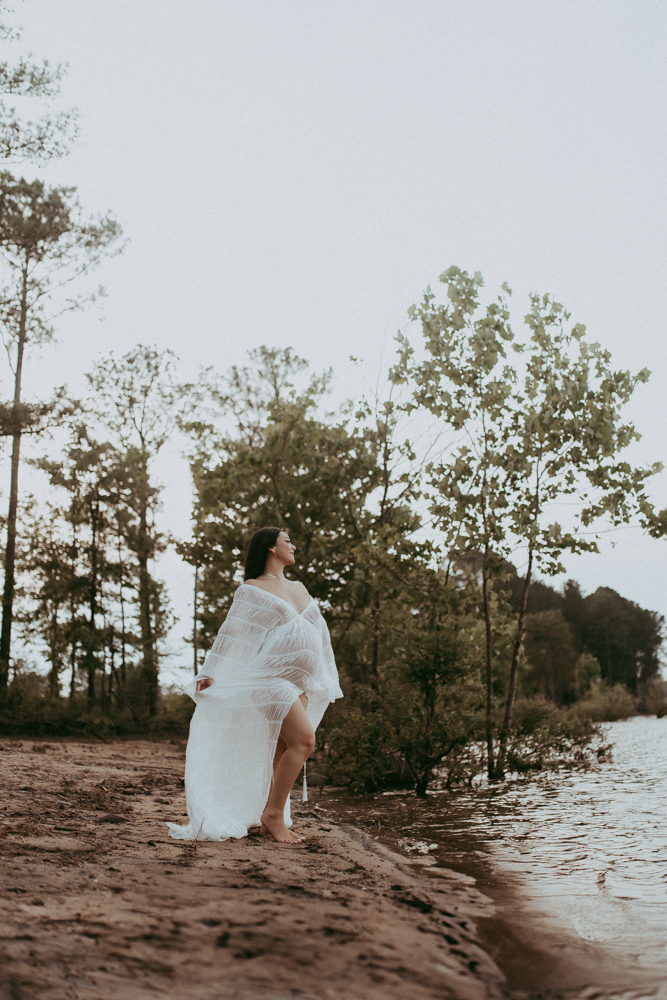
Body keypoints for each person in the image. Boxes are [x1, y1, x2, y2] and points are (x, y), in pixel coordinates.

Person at [167, 527, 343, 844]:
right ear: (271, 548)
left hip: (297, 683)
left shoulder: (299, 587)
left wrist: (321, 675)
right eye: (287, 540)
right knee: (304, 742)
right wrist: (210, 672)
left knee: (281, 750)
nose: (293, 545)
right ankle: (273, 816)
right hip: (269, 680)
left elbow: (318, 635)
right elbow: (233, 634)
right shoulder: (253, 588)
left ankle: (270, 816)